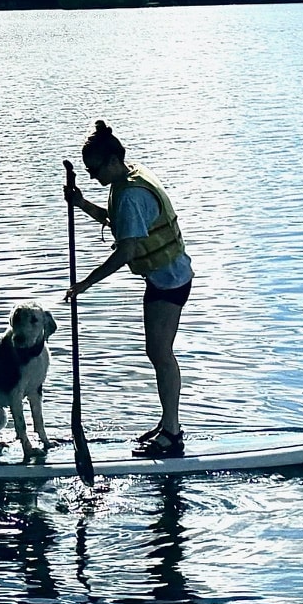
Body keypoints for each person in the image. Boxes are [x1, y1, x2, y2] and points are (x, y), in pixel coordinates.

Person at [65, 120, 194, 458]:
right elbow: (119, 220)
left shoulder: (131, 194)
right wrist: (82, 204)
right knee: (158, 353)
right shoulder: (129, 178)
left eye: (94, 170)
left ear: (112, 161)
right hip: (166, 276)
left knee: (161, 355)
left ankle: (172, 433)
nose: (92, 177)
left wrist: (85, 284)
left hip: (169, 280)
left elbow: (128, 250)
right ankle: (169, 423)